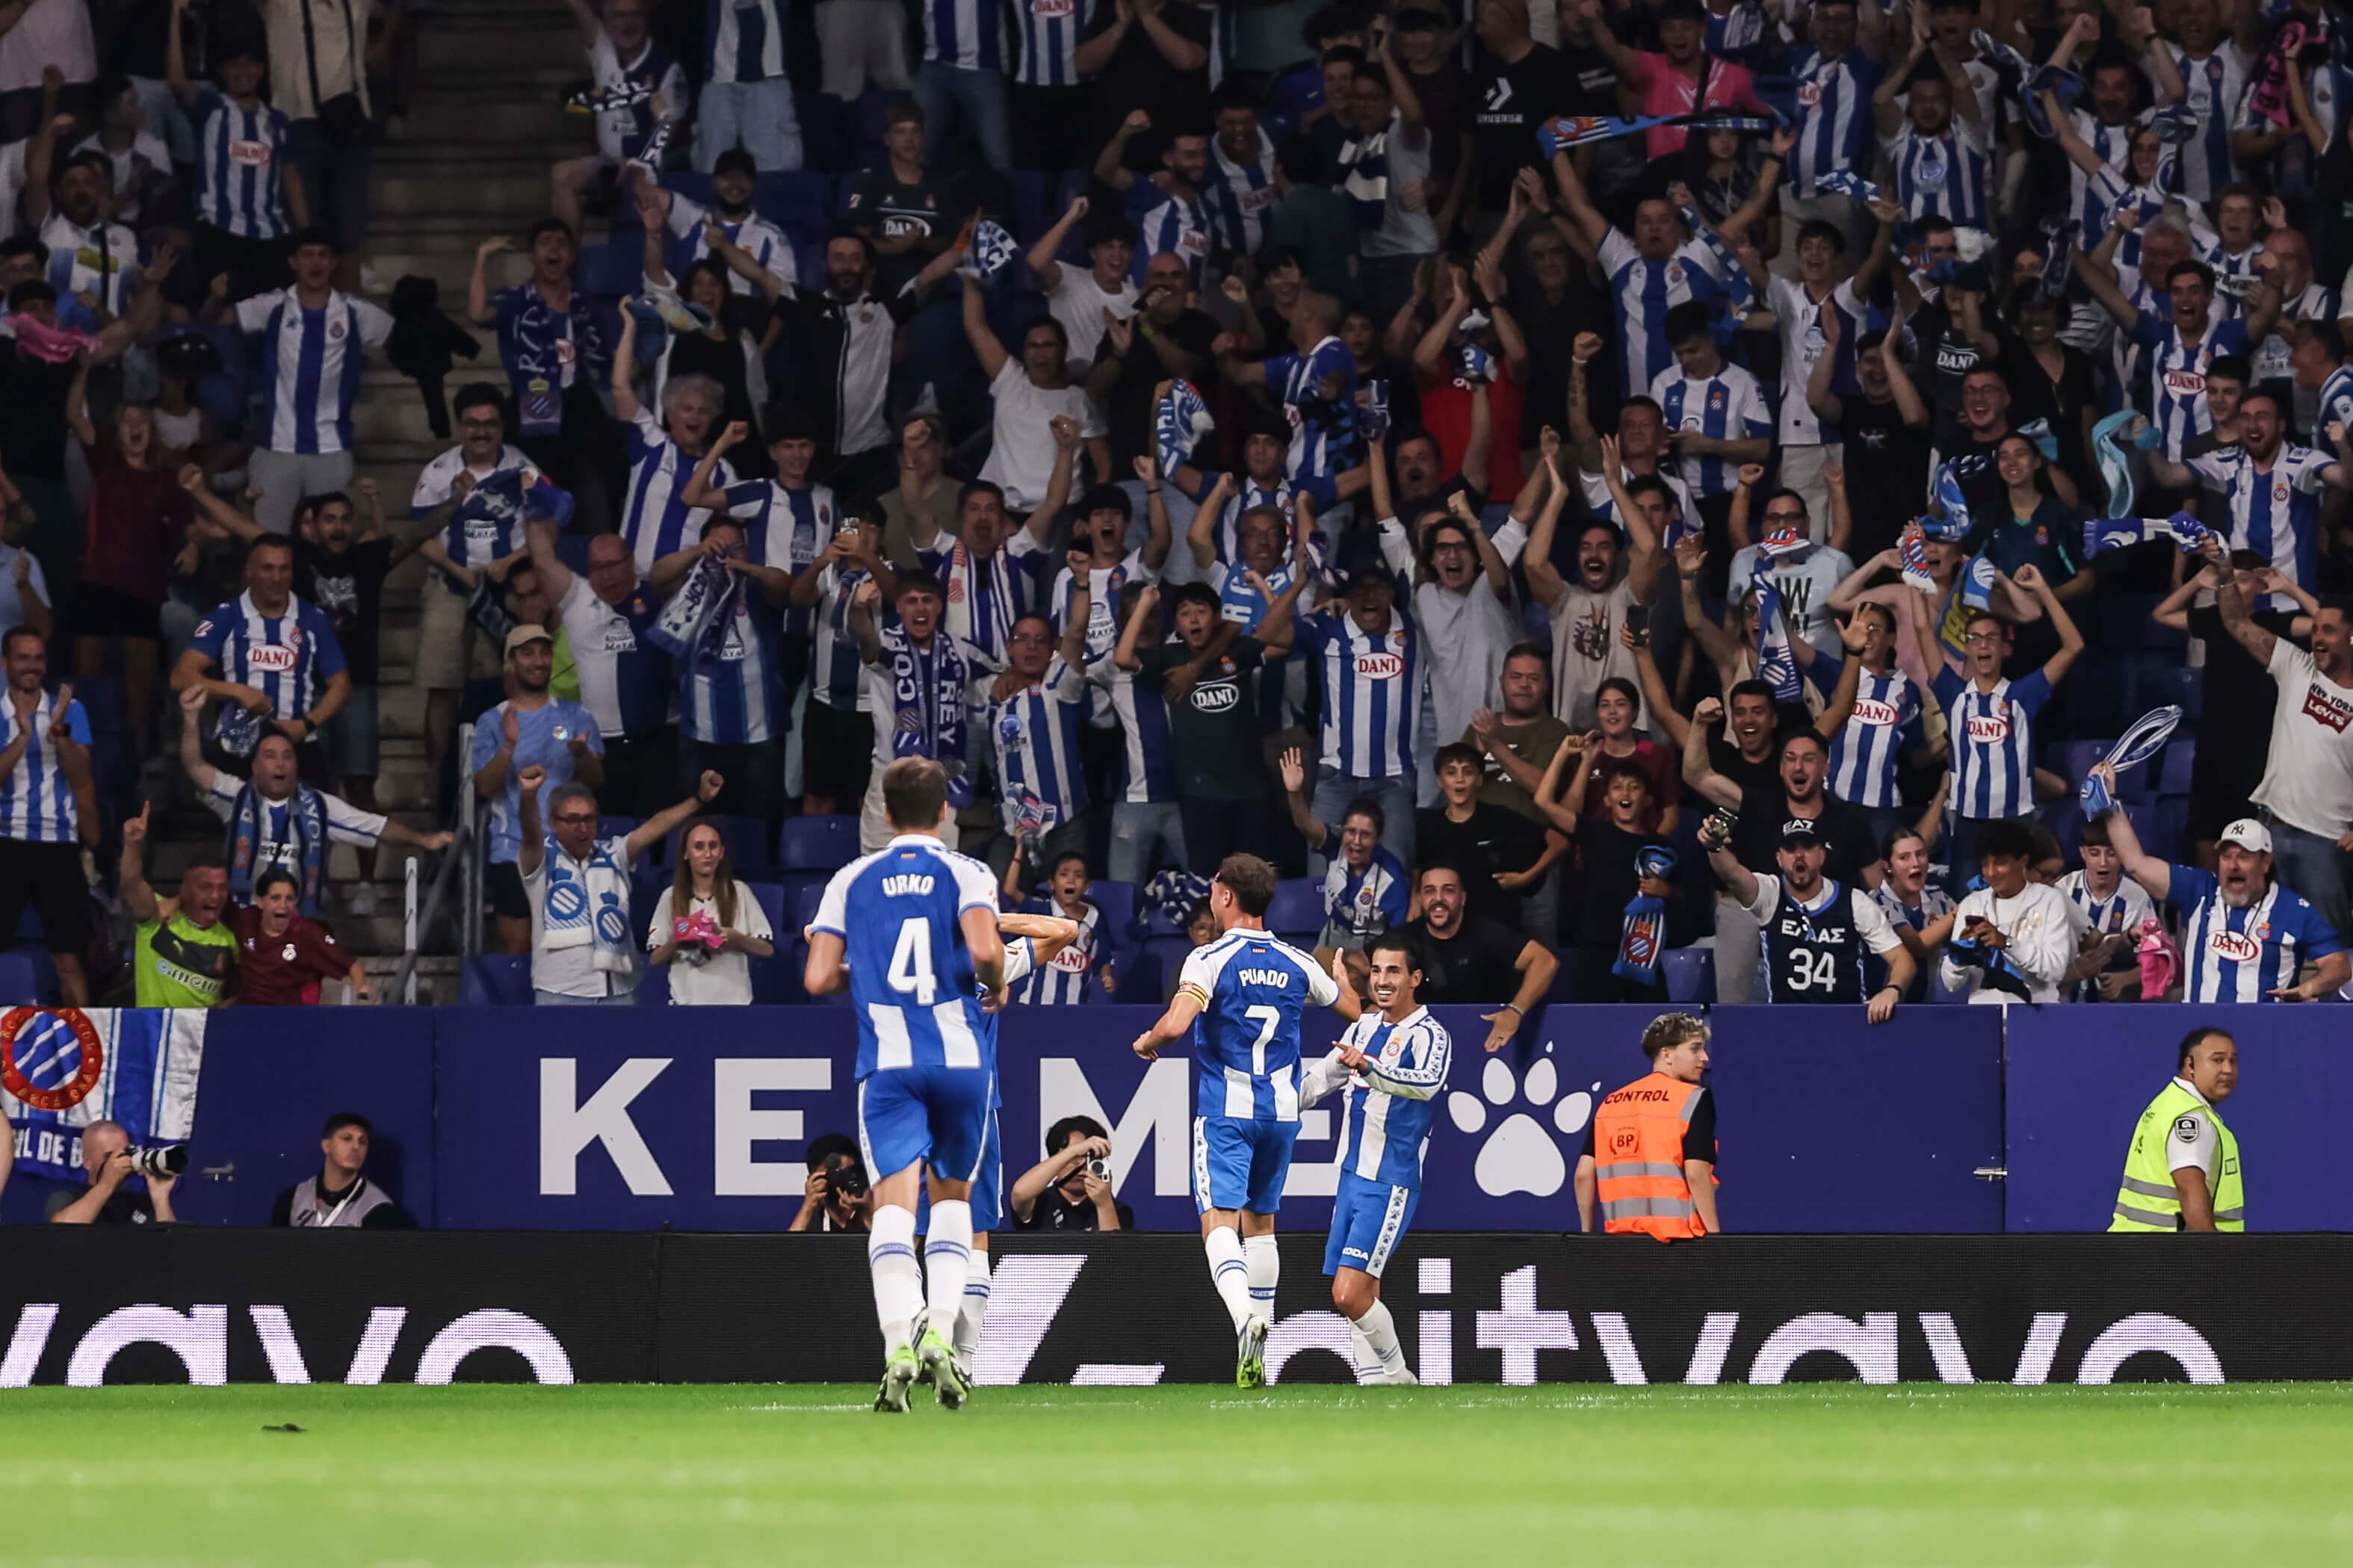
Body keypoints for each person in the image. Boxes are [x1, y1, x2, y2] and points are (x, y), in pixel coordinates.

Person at [803, 757, 1008, 1412]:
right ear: (944, 811)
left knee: (893, 1207)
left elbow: (817, 977)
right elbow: (986, 950)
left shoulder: (850, 878)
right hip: (960, 1061)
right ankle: (940, 1332)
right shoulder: (967, 871)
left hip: (889, 1064)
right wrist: (996, 985)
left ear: (886, 813)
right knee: (953, 1200)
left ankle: (898, 1339)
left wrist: (864, 974)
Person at [1129, 852, 1361, 1388]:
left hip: (1227, 1113)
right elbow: (1354, 1010)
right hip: (1281, 1115)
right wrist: (1341, 980)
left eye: (1214, 886)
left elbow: (1177, 1023)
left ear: (1227, 896)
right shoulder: (1297, 960)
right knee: (1261, 1226)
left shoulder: (1209, 958)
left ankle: (1245, 1320)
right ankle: (1258, 1350)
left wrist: (1148, 1039)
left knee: (1219, 1223)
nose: (1211, 894)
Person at [1298, 932, 1449, 1384]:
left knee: (1347, 1294)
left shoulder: (1430, 1035)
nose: (1382, 980)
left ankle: (1399, 1375)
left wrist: (1370, 1068)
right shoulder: (1362, 1028)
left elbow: (1426, 1085)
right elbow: (1321, 1079)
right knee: (1365, 1288)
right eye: (1377, 970)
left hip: (1390, 1179)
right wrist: (1270, 1106)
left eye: (1394, 971)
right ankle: (1374, 1383)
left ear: (1415, 978)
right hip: (1350, 1174)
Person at [2194, 533, 2353, 941]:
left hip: (2327, 842)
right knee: (2269, 945)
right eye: (2315, 630)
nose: (2318, 638)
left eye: (2330, 631)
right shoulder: (2295, 665)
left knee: (2328, 946)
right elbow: (2236, 623)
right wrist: (2226, 573)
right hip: (2272, 832)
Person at [180, 688, 448, 920]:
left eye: (287, 756)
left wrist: (424, 840)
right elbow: (195, 766)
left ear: (296, 766)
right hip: (245, 920)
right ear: (255, 767)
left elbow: (376, 827)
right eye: (270, 756)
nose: (280, 763)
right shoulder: (236, 796)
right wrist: (191, 719)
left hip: (296, 922)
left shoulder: (317, 806)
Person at [2087, 781, 2350, 1004]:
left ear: (2265, 863)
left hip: (2265, 1032)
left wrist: (2309, 988)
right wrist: (2110, 806)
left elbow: (2338, 965)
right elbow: (2136, 863)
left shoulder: (2293, 909)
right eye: (2226, 856)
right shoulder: (2200, 889)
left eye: (2244, 857)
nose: (2233, 865)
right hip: (2200, 1030)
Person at [1917, 565, 2083, 885]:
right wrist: (1915, 581)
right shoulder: (1953, 694)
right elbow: (1923, 628)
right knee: (1967, 907)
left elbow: (2073, 646)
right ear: (1966, 648)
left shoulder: (2023, 694)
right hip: (1968, 823)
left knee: (2018, 905)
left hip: (2016, 822)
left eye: (1991, 638)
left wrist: (2043, 589)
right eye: (1975, 639)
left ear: (2004, 649)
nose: (1983, 645)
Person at [220, 230, 392, 536]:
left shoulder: (356, 311)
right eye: (307, 255)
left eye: (323, 255)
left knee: (332, 543)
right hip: (276, 448)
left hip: (332, 449)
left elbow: (400, 339)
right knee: (268, 542)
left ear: (334, 263)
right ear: (293, 262)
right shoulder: (273, 305)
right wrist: (214, 298)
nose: (315, 262)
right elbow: (215, 320)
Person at [518, 767, 721, 1006]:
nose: (582, 828)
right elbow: (530, 834)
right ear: (553, 823)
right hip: (560, 992)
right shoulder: (540, 860)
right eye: (572, 819)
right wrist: (528, 796)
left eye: (589, 819)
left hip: (620, 992)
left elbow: (655, 826)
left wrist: (699, 799)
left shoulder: (615, 854)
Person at [171, 533, 352, 782]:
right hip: (238, 745)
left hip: (297, 744)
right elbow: (181, 677)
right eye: (268, 568)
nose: (277, 578)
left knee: (315, 805)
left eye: (283, 569)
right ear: (250, 571)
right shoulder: (226, 616)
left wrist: (306, 725)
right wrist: (238, 692)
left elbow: (341, 686)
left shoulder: (313, 618)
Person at [472, 625, 605, 953]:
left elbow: (596, 781)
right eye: (528, 653)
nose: (538, 661)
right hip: (512, 849)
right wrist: (508, 747)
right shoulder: (491, 720)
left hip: (569, 849)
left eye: (545, 653)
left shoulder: (576, 715)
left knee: (571, 947)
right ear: (511, 662)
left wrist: (582, 755)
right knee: (517, 947)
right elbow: (485, 787)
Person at [1703, 818, 1911, 1020]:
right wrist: (1715, 847)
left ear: (1821, 856)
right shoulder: (1770, 893)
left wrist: (1892, 990)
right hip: (1784, 1022)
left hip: (1844, 1021)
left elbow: (1903, 959)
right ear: (1779, 858)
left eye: (1807, 847)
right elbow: (1732, 875)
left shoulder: (1854, 902)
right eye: (1791, 849)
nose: (1799, 855)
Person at [847, 571, 984, 852]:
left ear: (939, 606)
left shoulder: (959, 650)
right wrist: (859, 608)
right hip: (890, 775)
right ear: (899, 607)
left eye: (927, 600)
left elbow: (1002, 675)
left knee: (941, 865)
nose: (920, 608)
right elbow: (867, 642)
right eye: (911, 601)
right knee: (877, 863)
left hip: (940, 780)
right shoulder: (887, 643)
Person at [0, 627, 96, 1002]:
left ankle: (82, 1037)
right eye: (23, 658)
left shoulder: (71, 710)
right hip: (5, 840)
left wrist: (58, 730)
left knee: (69, 959)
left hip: (58, 842)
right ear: (5, 664)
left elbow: (81, 776)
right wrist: (23, 737)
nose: (32, 666)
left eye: (38, 658)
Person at [1536, 751, 1677, 1001]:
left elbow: (1685, 898)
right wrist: (1564, 753)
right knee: (1591, 1021)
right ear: (1607, 799)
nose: (1625, 793)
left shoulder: (1661, 846)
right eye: (1617, 787)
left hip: (1643, 948)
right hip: (1597, 948)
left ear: (1647, 800)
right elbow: (1543, 800)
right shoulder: (1593, 831)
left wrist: (1667, 890)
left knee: (1655, 1020)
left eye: (1634, 787)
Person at [1574, 1011, 1718, 1242]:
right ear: (1667, 1054)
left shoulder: (1611, 1103)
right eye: (1695, 1049)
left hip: (1621, 1243)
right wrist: (1715, 1237)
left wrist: (1588, 1233)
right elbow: (1696, 1173)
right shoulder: (1693, 1099)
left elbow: (1583, 1174)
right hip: (1680, 1242)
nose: (1705, 1058)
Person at [1921, 819, 2081, 1006]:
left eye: (2000, 863)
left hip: (2036, 1012)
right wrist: (1960, 955)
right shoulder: (1973, 903)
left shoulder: (2050, 900)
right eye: (1985, 864)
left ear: (2023, 860)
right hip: (1984, 1014)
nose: (1991, 872)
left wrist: (2006, 943)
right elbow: (1951, 984)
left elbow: (2055, 970)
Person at [1402, 861, 1556, 1047]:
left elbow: (1545, 961)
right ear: (1419, 899)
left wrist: (1515, 1010)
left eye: (1448, 890)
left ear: (1463, 898)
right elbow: (1367, 974)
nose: (1439, 898)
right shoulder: (1404, 939)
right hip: (1422, 1041)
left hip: (1484, 1039)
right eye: (1430, 891)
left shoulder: (1485, 932)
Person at [1280, 748, 1409, 965]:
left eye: (1365, 835)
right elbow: (1304, 824)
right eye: (1351, 831)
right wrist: (1294, 792)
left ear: (1377, 838)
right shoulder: (1335, 846)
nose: (1356, 841)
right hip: (1332, 935)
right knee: (1313, 974)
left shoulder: (1391, 876)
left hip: (1372, 946)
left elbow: (1399, 937)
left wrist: (1365, 961)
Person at [2111, 1027, 2243, 1234]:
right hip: (2161, 1250)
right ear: (2190, 1065)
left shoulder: (2169, 1103)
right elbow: (2189, 1190)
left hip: (2136, 1245)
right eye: (2218, 1060)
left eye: (2233, 1061)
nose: (2228, 1069)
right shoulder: (2190, 1117)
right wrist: (2215, 1251)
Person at [646, 819, 776, 1005]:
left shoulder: (740, 892)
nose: (707, 854)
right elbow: (655, 959)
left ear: (721, 852)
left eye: (713, 846)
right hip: (686, 1006)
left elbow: (767, 949)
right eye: (699, 847)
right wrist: (676, 940)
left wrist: (737, 938)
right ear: (686, 853)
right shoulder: (671, 896)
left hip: (734, 1005)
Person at [120, 802, 236, 1008]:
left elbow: (233, 995)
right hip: (155, 1027)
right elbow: (132, 882)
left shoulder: (228, 940)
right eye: (206, 887)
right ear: (185, 889)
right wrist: (132, 845)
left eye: (222, 888)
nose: (216, 896)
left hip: (199, 1031)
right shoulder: (158, 918)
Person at [227, 867, 370, 1005]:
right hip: (244, 1013)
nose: (283, 905)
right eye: (275, 898)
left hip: (287, 1016)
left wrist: (362, 990)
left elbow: (352, 965)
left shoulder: (306, 932)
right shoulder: (245, 919)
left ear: (296, 902)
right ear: (260, 901)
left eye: (289, 899)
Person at [270, 1112, 415, 1227]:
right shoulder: (293, 1199)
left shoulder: (378, 1209)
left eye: (363, 1142)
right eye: (347, 1138)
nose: (356, 1147)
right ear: (326, 1146)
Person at [1009, 1115, 1135, 1232]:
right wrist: (1073, 1151)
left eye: (1089, 1156)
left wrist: (1104, 1205)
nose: (1081, 1164)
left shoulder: (1117, 1210)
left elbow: (1114, 1248)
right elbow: (1019, 1193)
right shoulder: (1039, 1203)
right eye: (1075, 1157)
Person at [46, 1119, 176, 1225]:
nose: (118, 1163)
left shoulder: (142, 1204)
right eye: (109, 1157)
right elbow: (63, 1231)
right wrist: (106, 1184)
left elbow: (170, 1245)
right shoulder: (66, 1199)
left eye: (124, 1154)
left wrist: (160, 1196)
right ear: (87, 1162)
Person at [789, 1133, 876, 1233]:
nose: (839, 1183)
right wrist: (807, 1208)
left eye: (845, 1174)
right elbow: (789, 1244)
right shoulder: (812, 1220)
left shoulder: (872, 1211)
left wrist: (870, 1211)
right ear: (813, 1181)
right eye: (832, 1176)